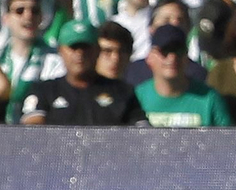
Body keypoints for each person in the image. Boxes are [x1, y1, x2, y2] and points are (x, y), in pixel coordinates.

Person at [14, 19, 147, 125]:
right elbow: (32, 134)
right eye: (73, 48)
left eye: (85, 48)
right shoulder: (44, 92)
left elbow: (142, 135)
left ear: (97, 50)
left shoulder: (123, 92)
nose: (80, 54)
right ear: (61, 50)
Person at [136, 23, 232, 126]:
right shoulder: (137, 99)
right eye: (165, 51)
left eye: (179, 51)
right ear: (150, 57)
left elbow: (227, 135)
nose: (172, 58)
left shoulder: (209, 99)